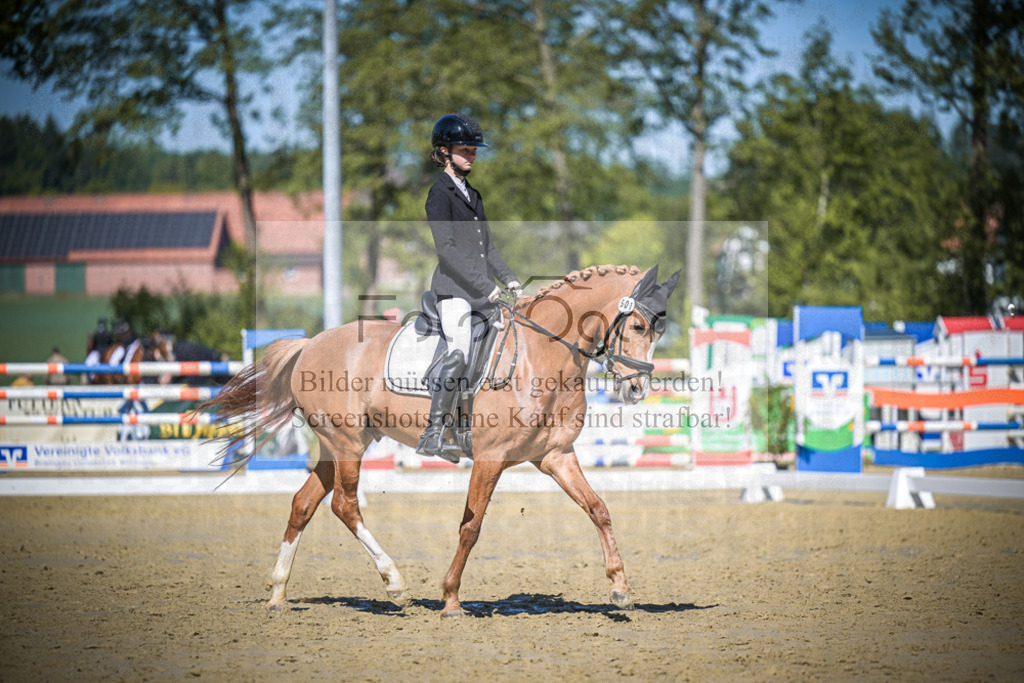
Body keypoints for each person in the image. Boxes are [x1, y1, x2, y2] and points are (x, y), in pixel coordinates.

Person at [416, 113, 522, 460]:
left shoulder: (472, 194)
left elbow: (487, 249)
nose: (472, 155)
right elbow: (446, 251)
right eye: (465, 150)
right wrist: (485, 286)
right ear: (444, 152)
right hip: (453, 292)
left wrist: (510, 281)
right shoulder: (439, 194)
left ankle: (473, 424)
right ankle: (434, 432)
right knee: (459, 349)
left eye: (474, 150)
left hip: (481, 292)